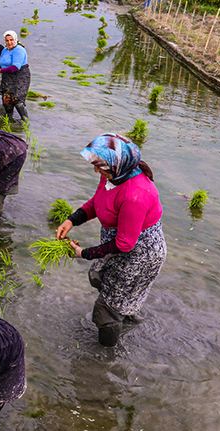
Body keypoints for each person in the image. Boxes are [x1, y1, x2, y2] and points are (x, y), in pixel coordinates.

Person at [56, 133, 166, 347]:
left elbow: (125, 244)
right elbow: (98, 202)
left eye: (100, 166)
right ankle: (128, 316)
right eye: (96, 164)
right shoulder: (113, 174)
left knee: (107, 309)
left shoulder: (135, 194)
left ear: (117, 164)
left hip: (139, 254)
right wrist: (72, 220)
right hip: (120, 242)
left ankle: (104, 360)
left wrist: (83, 253)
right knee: (102, 279)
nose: (96, 170)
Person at [0, 30, 30, 121]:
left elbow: (15, 67)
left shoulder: (19, 50)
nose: (9, 42)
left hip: (20, 77)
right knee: (7, 100)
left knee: (17, 100)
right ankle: (9, 120)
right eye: (7, 40)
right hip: (7, 77)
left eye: (11, 40)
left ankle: (25, 122)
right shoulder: (5, 50)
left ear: (15, 39)